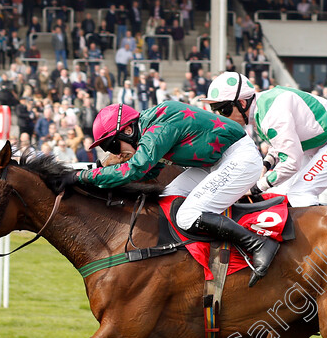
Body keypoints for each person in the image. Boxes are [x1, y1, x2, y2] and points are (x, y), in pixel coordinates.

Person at [52, 102, 279, 287]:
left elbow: (136, 169)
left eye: (112, 146)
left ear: (128, 131)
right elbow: (152, 170)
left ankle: (258, 245)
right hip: (214, 162)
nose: (115, 153)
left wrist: (79, 177)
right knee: (168, 200)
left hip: (240, 159)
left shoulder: (157, 130)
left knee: (187, 215)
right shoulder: (151, 129)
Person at [202, 72, 327, 207]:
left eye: (224, 110)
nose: (221, 117)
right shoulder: (261, 107)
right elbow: (282, 142)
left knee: (300, 193)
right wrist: (267, 163)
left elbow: (292, 162)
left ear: (242, 103)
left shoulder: (271, 114)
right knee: (279, 195)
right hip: (320, 142)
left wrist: (257, 188)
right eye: (216, 110)